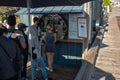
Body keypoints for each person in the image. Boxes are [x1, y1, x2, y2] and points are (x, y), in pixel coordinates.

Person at [7, 15, 27, 80]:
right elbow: (24, 46)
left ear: (7, 22)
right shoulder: (19, 33)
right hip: (17, 57)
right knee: (18, 74)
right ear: (15, 23)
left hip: (6, 57)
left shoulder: (4, 32)